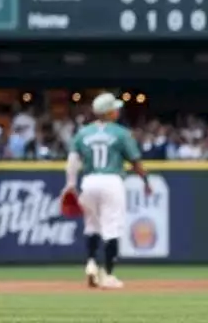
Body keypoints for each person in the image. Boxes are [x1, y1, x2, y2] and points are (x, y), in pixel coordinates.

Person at [65, 92, 152, 290]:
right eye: (115, 108)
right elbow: (135, 162)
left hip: (89, 181)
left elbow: (72, 162)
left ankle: (91, 263)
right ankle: (109, 275)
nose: (118, 111)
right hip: (111, 181)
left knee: (92, 226)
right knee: (112, 228)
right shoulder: (121, 133)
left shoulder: (82, 133)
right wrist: (146, 180)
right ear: (110, 112)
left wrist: (70, 184)